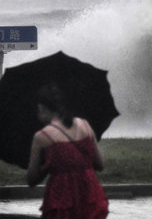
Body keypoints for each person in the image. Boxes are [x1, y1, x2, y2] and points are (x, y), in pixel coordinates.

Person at [27, 84, 109, 219]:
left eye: (37, 109)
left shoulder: (42, 137)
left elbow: (32, 179)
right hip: (90, 195)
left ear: (42, 108)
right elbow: (99, 165)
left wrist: (48, 166)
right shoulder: (85, 125)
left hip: (62, 197)